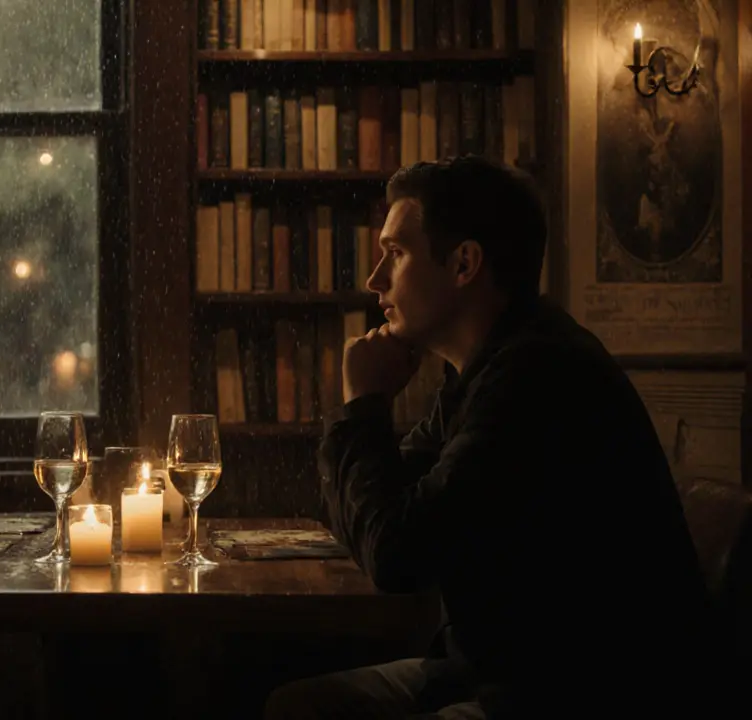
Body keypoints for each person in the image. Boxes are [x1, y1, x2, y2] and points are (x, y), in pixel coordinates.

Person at [264, 157, 727, 719]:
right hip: (490, 669)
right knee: (301, 704)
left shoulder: (537, 377)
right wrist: (362, 435)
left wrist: (364, 406)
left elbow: (393, 554)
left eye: (397, 253)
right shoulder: (483, 370)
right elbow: (376, 514)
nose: (374, 280)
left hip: (573, 693)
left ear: (464, 263)